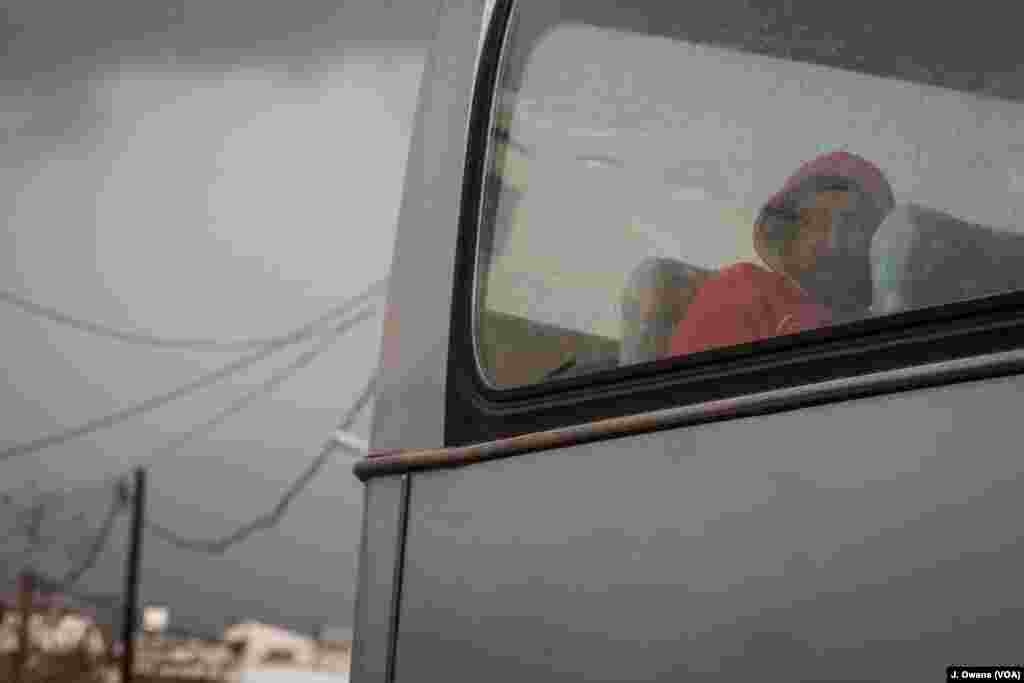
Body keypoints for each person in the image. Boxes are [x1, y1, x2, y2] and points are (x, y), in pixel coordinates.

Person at [669, 151, 894, 357]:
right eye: (819, 220)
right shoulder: (743, 288)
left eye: (853, 225)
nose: (833, 240)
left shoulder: (890, 329)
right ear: (787, 233)